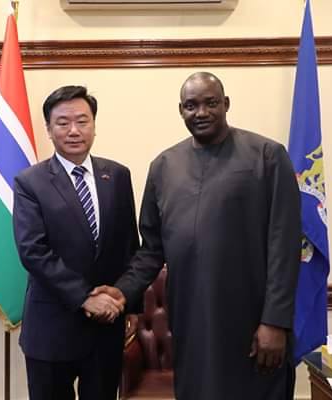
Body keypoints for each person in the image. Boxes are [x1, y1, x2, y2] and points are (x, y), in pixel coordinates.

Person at [95, 72, 301, 399]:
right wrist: (122, 292)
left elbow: (285, 245)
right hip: (192, 321)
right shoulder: (163, 166)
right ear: (181, 110)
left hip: (253, 323)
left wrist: (275, 323)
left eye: (210, 103)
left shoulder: (267, 156)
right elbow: (151, 249)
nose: (201, 112)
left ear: (226, 104)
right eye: (191, 106)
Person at [12, 85, 139, 400]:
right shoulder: (30, 182)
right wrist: (85, 297)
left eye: (82, 121)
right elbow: (33, 251)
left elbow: (128, 246)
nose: (73, 131)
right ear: (49, 130)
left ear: (94, 126)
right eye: (63, 122)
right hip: (52, 327)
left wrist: (130, 304)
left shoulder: (118, 175)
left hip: (106, 326)